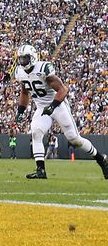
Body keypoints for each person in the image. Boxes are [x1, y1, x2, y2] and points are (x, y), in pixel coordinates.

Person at [14, 44, 108, 179]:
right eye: (21, 59)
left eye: (25, 59)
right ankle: (41, 170)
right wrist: (20, 111)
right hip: (41, 107)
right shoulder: (20, 72)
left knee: (74, 139)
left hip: (58, 105)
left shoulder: (43, 69)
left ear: (33, 57)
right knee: (36, 132)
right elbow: (24, 92)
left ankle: (101, 159)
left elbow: (63, 90)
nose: (23, 62)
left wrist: (52, 106)